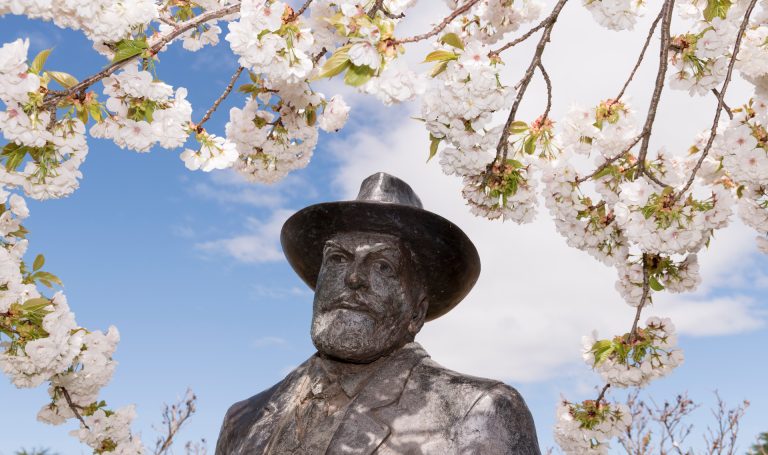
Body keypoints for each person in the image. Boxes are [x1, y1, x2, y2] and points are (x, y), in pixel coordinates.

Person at [215, 172, 541, 454]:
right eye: (339, 259)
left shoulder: (478, 413)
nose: (353, 277)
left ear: (417, 312)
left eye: (383, 266)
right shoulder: (244, 420)